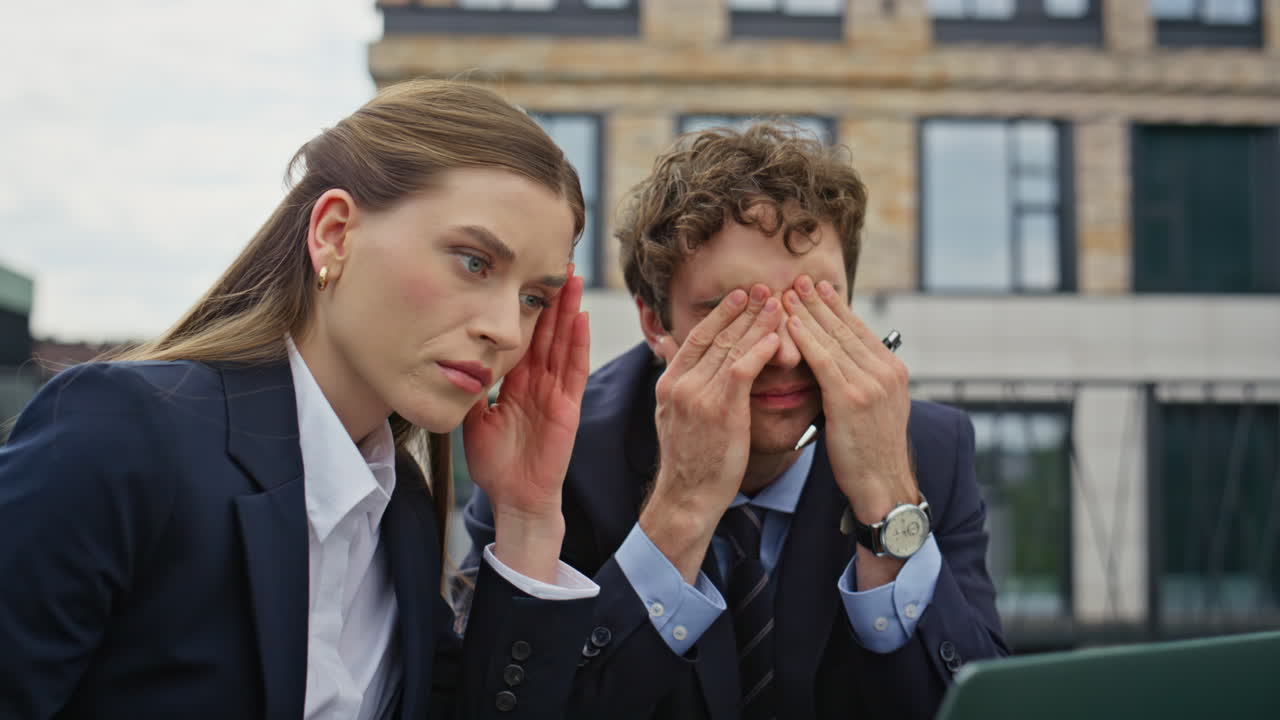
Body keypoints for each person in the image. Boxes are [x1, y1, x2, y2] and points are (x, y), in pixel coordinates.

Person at [0, 79, 603, 719]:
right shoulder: (120, 437)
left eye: (533, 298)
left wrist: (529, 516)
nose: (506, 330)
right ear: (335, 233)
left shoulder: (399, 515)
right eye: (474, 262)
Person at [457, 123, 1009, 719]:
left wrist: (889, 505)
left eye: (815, 307)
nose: (787, 355)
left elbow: (978, 704)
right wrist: (681, 510)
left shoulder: (930, 448)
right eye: (734, 315)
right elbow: (503, 706)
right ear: (654, 323)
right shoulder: (555, 456)